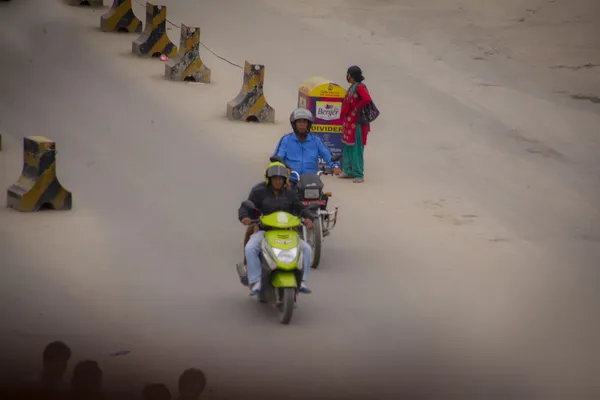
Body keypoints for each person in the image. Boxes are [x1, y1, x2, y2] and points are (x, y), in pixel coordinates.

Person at [238, 160, 315, 295]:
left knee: (307, 249)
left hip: (288, 232)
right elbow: (245, 207)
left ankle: (302, 280)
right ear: (269, 179)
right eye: (275, 179)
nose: (278, 181)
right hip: (265, 231)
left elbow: (300, 208)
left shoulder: (290, 193)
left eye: (281, 179)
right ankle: (256, 281)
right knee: (250, 248)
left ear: (285, 180)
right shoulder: (258, 191)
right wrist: (245, 217)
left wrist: (308, 218)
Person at [273, 108, 341, 183]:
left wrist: (335, 166)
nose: (302, 124)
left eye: (304, 122)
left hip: (311, 180)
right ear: (294, 124)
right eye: (299, 122)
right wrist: (283, 167)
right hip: (291, 179)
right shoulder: (285, 140)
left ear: (308, 124)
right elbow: (277, 158)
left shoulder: (316, 140)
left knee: (322, 194)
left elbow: (328, 155)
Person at [340, 65, 373, 183]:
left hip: (357, 124)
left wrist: (356, 108)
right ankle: (348, 171)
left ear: (351, 76)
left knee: (357, 149)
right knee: (348, 147)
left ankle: (359, 174)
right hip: (349, 123)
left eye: (348, 74)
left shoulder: (359, 88)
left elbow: (367, 99)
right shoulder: (352, 87)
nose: (346, 76)